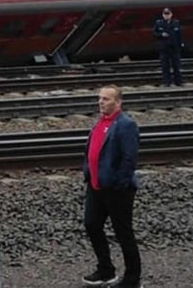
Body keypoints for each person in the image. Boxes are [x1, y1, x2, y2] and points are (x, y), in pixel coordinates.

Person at [81, 85, 141, 288]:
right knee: (91, 224)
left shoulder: (125, 124)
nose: (101, 102)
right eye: (100, 98)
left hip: (116, 189)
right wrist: (88, 172)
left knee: (123, 232)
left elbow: (129, 158)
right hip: (96, 187)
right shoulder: (100, 123)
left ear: (118, 103)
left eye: (106, 99)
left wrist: (119, 183)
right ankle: (106, 270)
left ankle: (132, 279)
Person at [152, 7, 182, 86]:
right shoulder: (159, 23)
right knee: (165, 66)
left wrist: (180, 46)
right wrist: (161, 35)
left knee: (176, 66)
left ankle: (178, 82)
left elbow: (179, 36)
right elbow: (154, 33)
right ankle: (167, 82)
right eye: (165, 14)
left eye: (168, 14)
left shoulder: (176, 23)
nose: (167, 16)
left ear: (171, 14)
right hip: (164, 48)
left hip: (174, 48)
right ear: (163, 15)